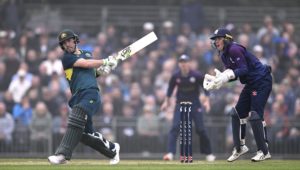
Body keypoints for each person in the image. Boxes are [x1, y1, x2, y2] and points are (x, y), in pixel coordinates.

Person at [48, 29, 120, 165]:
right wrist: (105, 61)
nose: (67, 44)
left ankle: (62, 154)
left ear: (75, 40)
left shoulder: (88, 54)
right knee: (84, 134)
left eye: (69, 40)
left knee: (78, 114)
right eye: (64, 43)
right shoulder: (67, 58)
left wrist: (104, 70)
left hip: (91, 93)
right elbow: (85, 64)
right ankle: (112, 149)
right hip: (77, 96)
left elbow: (91, 73)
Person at [204, 28, 272, 162]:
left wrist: (228, 75)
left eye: (218, 38)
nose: (216, 41)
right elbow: (236, 75)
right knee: (235, 114)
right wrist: (221, 80)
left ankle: (263, 151)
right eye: (215, 39)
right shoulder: (223, 55)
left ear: (227, 38)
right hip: (251, 83)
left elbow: (244, 69)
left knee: (255, 116)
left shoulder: (235, 49)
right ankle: (240, 148)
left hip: (262, 80)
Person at [161, 54, 216, 162]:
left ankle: (209, 153)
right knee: (175, 127)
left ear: (189, 63)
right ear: (179, 64)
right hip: (180, 104)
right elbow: (170, 90)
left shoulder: (196, 75)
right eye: (181, 62)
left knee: (200, 129)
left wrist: (207, 101)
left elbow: (206, 87)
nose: (183, 64)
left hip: (195, 105)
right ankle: (170, 153)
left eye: (185, 62)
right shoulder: (176, 76)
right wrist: (166, 102)